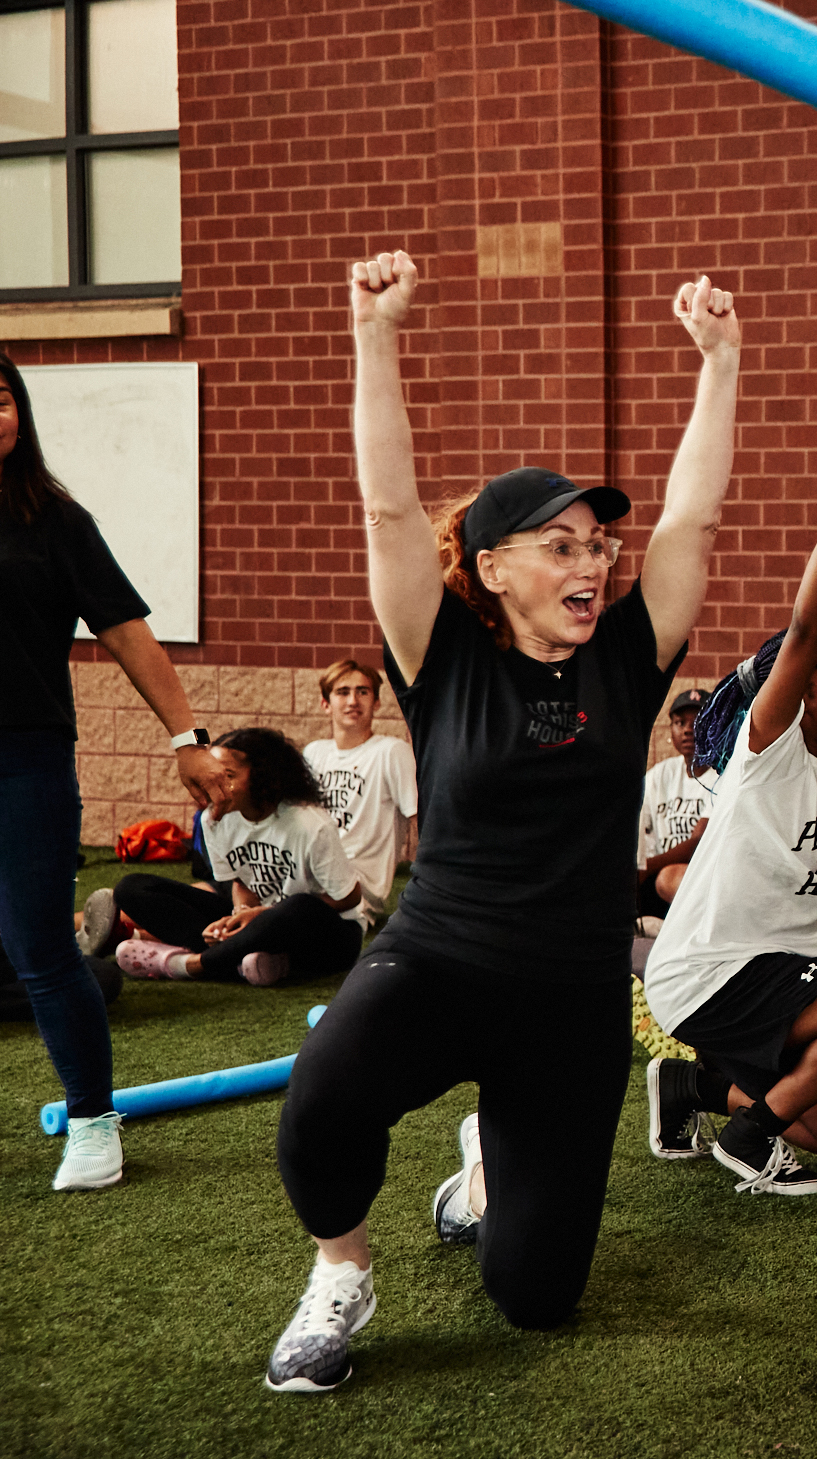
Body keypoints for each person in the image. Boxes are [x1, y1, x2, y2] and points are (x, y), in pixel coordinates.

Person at [263, 252, 738, 1393]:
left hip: (570, 999)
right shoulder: (443, 659)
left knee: (535, 1297)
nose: (596, 561)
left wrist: (719, 363)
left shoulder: (627, 659)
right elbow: (385, 503)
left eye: (599, 546)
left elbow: (693, 517)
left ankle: (483, 1171)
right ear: (494, 567)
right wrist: (374, 334)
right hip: (441, 960)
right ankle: (340, 1273)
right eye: (563, 546)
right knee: (321, 1102)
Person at [639, 453, 817, 1193]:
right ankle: (750, 1135)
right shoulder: (769, 749)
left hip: (766, 977)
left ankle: (698, 1091)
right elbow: (809, 629)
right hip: (714, 970)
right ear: (798, 694)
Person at [0, 351, 224, 1193]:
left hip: (24, 762)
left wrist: (185, 738)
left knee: (38, 949)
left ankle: (93, 1122)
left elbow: (127, 632)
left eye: (4, 398)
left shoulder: (54, 521)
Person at [111, 728, 365, 985]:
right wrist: (237, 917)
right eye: (213, 775)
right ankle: (250, 961)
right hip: (259, 926)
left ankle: (193, 965)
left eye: (229, 776)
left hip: (324, 936)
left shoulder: (309, 824)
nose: (217, 785)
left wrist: (261, 915)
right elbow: (241, 883)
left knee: (298, 906)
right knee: (132, 888)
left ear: (263, 777)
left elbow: (349, 897)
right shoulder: (214, 819)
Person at [302, 659, 417, 928]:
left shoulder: (391, 752)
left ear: (376, 703)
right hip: (309, 874)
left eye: (363, 692)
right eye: (343, 692)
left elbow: (420, 818)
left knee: (292, 913)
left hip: (356, 890)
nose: (353, 700)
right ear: (325, 704)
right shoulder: (314, 752)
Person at [637, 688, 711, 920]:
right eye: (680, 723)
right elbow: (634, 825)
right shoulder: (660, 775)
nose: (688, 729)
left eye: (698, 721)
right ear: (671, 730)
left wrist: (645, 867)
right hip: (656, 880)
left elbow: (698, 843)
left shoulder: (723, 777)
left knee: (667, 877)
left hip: (699, 877)